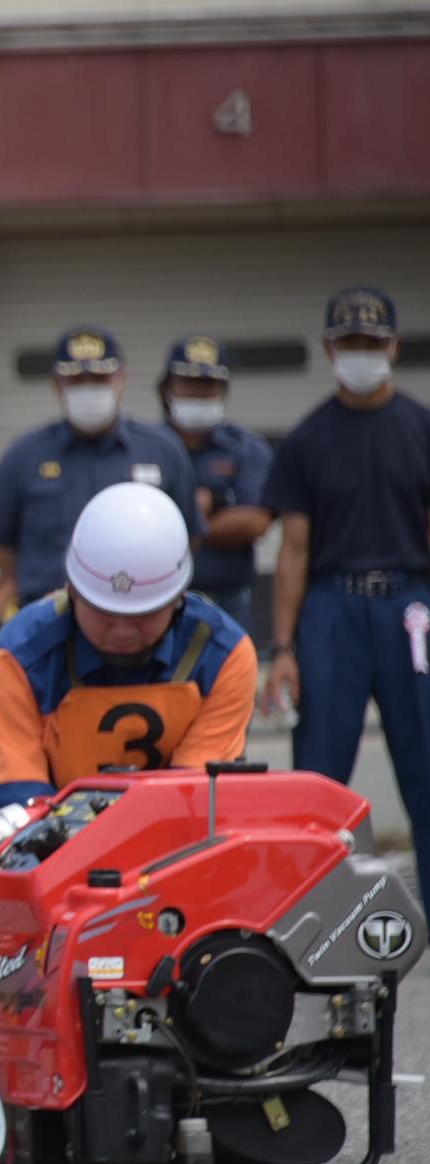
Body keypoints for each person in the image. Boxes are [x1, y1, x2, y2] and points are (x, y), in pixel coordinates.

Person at [262, 287, 430, 873]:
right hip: (332, 609)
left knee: (425, 760)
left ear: (393, 345)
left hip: (411, 606)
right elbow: (293, 552)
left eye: (372, 342)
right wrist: (283, 648)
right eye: (349, 342)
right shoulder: (307, 439)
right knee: (319, 771)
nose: (361, 352)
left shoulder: (420, 427)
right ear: (330, 348)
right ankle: (307, 920)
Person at [0, 482, 255, 816]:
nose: (122, 629)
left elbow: (191, 800)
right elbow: (19, 805)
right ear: (71, 591)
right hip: (39, 845)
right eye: (103, 612)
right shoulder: (16, 658)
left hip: (170, 839)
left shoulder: (223, 656)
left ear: (177, 600)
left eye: (143, 614)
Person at [0, 326, 203, 615]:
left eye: (99, 378)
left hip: (140, 616)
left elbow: (189, 534)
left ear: (120, 379)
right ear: (56, 384)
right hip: (50, 615)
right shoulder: (23, 455)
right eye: (76, 379)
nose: (88, 387)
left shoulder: (162, 450)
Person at [160, 336, 272, 629]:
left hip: (228, 603)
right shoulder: (147, 447)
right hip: (157, 603)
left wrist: (175, 521)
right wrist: (213, 507)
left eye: (207, 385)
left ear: (222, 390)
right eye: (188, 383)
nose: (198, 393)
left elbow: (255, 522)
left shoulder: (247, 448)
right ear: (168, 387)